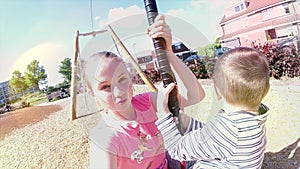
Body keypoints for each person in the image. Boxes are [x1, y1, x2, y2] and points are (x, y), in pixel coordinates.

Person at [86, 15, 205, 169]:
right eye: (105, 87)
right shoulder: (106, 138)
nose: (118, 92)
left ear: (130, 77)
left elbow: (195, 95)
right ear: (92, 92)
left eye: (121, 79)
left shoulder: (145, 103)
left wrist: (167, 51)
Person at [156, 47, 270, 169]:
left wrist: (163, 115)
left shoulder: (227, 130)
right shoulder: (254, 119)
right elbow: (212, 134)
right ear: (265, 90)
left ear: (217, 90)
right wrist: (185, 122)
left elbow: (176, 149)